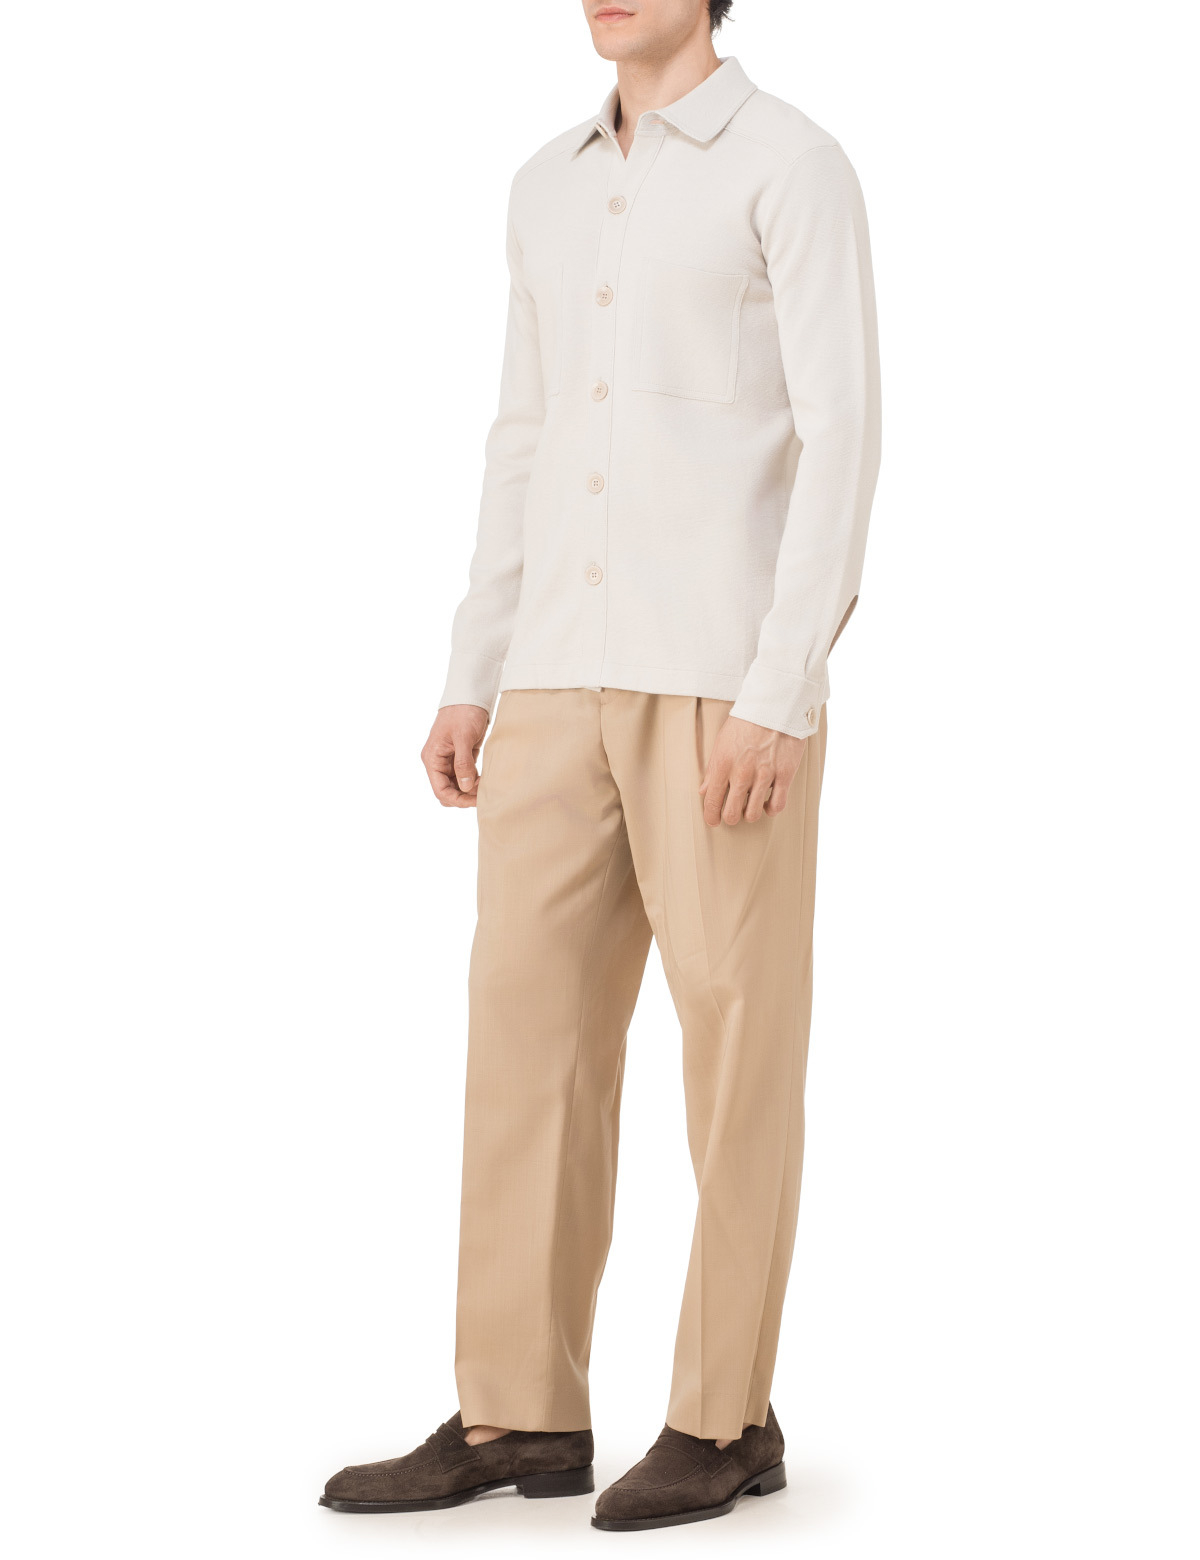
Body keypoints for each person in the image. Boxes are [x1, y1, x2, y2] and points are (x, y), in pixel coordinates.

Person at [321, 0, 880, 1531]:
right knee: (526, 1042)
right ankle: (518, 1411)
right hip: (556, 674)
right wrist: (473, 668)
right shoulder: (542, 185)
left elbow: (843, 436)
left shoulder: (791, 164)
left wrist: (782, 687)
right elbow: (523, 436)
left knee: (737, 1049)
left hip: (718, 682)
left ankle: (724, 1416)